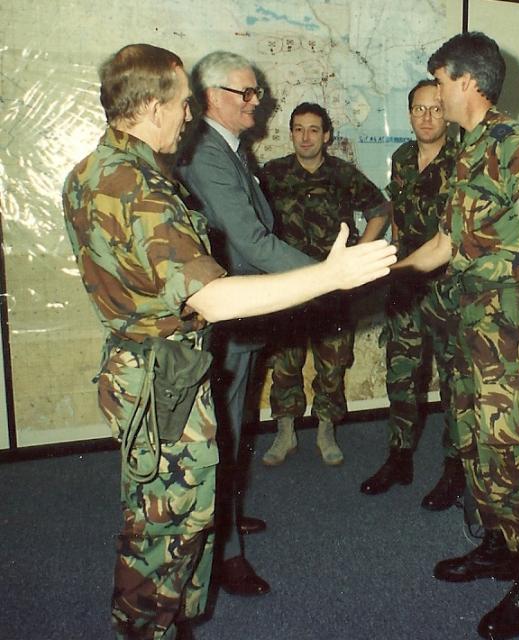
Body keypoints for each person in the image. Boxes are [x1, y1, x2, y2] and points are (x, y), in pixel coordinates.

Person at [62, 43, 396, 639]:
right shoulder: (141, 187)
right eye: (182, 103)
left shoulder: (90, 172)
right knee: (164, 536)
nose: (187, 115)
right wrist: (332, 277)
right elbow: (211, 299)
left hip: (143, 367)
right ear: (154, 106)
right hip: (166, 377)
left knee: (164, 519)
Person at [398, 32, 519, 639]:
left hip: (507, 330)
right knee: (473, 444)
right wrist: (387, 273)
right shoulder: (467, 151)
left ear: (466, 82)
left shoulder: (514, 142)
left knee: (510, 451)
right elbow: (446, 244)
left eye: (441, 82)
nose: (435, 95)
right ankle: (499, 546)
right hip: (467, 328)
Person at [175, 51, 317, 597]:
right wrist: (329, 274)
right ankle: (226, 553)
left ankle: (225, 520)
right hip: (225, 323)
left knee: (235, 429)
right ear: (213, 97)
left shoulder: (230, 149)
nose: (258, 101)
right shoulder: (207, 154)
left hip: (243, 317)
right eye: (247, 92)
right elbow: (253, 242)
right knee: (224, 436)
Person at [259, 102, 389, 467]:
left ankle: (325, 431)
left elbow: (380, 210)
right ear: (291, 133)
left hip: (333, 288)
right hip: (287, 285)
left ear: (326, 135)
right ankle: (285, 432)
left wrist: (358, 254)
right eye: (298, 129)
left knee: (332, 364)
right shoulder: (272, 174)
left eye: (313, 130)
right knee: (285, 363)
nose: (305, 137)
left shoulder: (342, 174)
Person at [359, 80, 465, 510]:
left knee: (454, 382)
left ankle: (455, 468)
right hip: (405, 287)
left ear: (448, 114)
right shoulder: (402, 158)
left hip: (447, 288)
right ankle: (399, 457)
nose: (427, 117)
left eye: (436, 109)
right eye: (419, 109)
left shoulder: (462, 161)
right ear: (409, 114)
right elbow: (399, 218)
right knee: (401, 374)